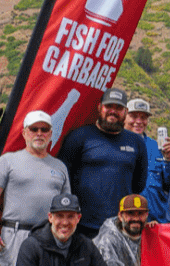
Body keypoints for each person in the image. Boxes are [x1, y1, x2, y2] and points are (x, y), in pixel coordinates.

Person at [0, 110, 72, 266]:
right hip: (15, 236)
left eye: (44, 130)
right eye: (34, 129)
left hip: (49, 237)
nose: (39, 133)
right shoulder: (7, 161)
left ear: (51, 134)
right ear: (24, 133)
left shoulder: (60, 167)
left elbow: (67, 209)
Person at [56, 87, 148, 241]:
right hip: (82, 227)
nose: (113, 111)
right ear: (99, 108)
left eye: (118, 108)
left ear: (125, 112)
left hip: (119, 228)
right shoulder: (79, 136)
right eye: (109, 106)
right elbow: (63, 179)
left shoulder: (136, 142)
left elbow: (138, 185)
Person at [126, 98, 170, 223]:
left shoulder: (156, 146)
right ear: (124, 116)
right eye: (134, 116)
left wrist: (169, 160)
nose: (139, 121)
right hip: (128, 222)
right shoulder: (115, 144)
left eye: (143, 117)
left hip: (156, 222)